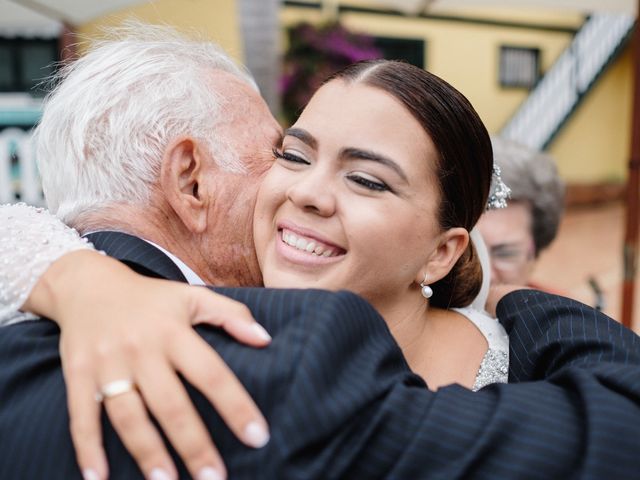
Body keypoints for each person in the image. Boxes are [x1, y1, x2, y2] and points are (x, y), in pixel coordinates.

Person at [1, 24, 640, 480]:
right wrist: (522, 301)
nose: (305, 192)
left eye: (365, 179)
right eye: (287, 154)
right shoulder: (296, 354)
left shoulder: (21, 319)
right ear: (190, 180)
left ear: (444, 251)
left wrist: (74, 274)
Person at [477, 136, 565, 287]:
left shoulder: (566, 309)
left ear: (534, 252)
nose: (485, 276)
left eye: (505, 254)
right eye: (466, 255)